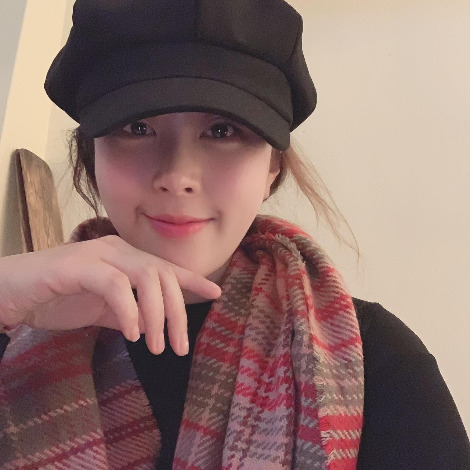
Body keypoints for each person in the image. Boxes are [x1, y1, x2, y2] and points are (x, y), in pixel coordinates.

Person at [0, 0, 469, 468]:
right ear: (92, 157)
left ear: (272, 169)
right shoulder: (21, 320)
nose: (177, 176)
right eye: (137, 127)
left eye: (222, 130)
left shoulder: (375, 362)